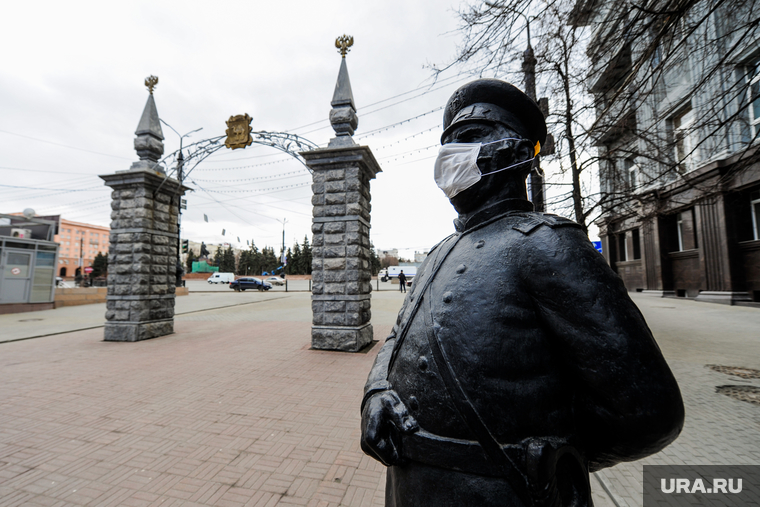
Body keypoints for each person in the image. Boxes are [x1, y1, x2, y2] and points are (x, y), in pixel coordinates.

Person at [360, 79, 684, 507]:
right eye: (447, 143)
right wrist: (377, 392)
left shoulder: (548, 243)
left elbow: (648, 411)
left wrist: (555, 458)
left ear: (515, 154)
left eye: (469, 139)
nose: (449, 156)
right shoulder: (439, 252)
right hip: (409, 490)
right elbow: (396, 338)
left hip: (502, 493)